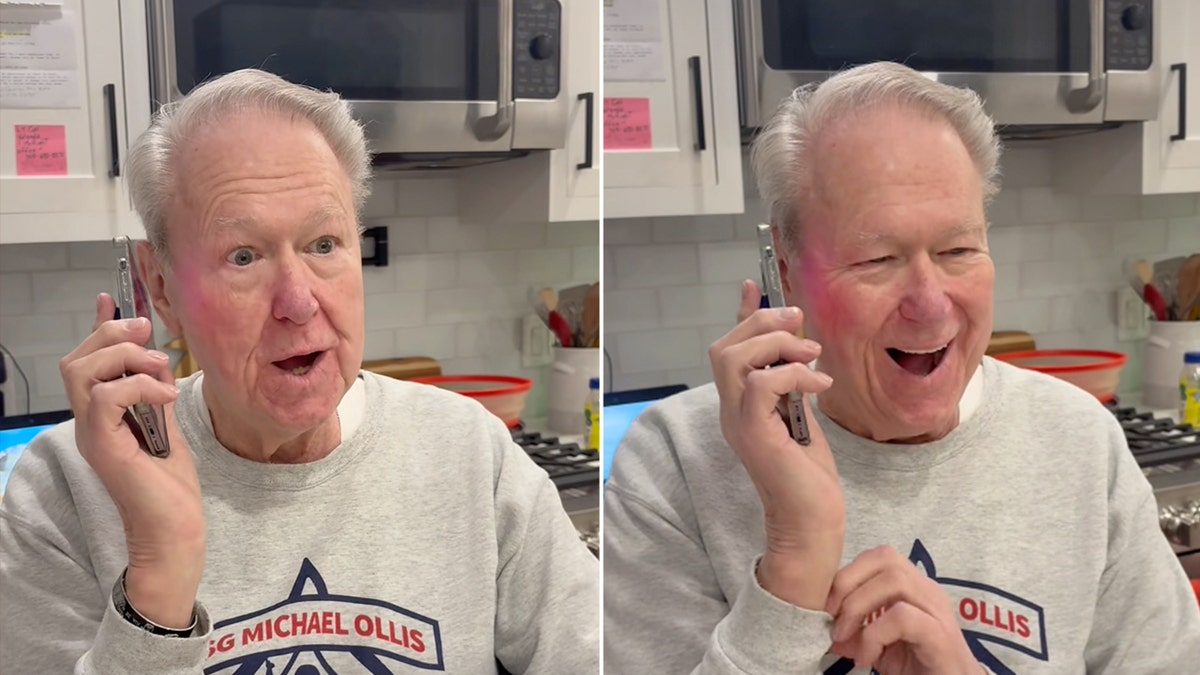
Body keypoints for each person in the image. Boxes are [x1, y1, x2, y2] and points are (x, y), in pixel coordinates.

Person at [602, 61, 1200, 674]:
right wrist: (795, 554)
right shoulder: (675, 462)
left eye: (958, 250)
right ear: (784, 267)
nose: (931, 302)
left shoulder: (1079, 440)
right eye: (877, 258)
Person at [0, 69, 599, 674]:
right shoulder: (68, 490)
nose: (299, 301)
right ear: (160, 287)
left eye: (323, 244)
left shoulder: (469, 452)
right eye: (243, 256)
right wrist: (159, 572)